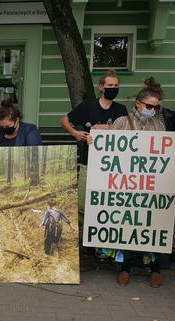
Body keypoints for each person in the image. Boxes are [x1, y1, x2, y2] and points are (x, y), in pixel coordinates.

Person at [88, 77, 175, 288]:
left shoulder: (159, 123)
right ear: (138, 104)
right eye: (149, 106)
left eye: (156, 107)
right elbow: (107, 147)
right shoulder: (122, 122)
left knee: (152, 224)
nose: (152, 109)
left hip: (151, 184)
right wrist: (94, 141)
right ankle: (126, 268)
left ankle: (155, 269)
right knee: (127, 225)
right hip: (126, 185)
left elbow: (165, 153)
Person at [60, 70, 128, 242]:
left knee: (106, 205)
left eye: (116, 86)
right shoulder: (87, 106)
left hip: (113, 166)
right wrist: (75, 133)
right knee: (82, 204)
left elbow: (127, 134)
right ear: (101, 87)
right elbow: (64, 120)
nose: (113, 88)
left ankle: (101, 243)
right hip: (88, 163)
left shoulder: (121, 110)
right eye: (109, 85)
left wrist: (105, 128)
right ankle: (80, 242)